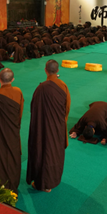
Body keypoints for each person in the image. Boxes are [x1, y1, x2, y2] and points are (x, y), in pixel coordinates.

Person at [27, 59, 71, 192]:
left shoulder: (41, 88)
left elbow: (33, 108)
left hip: (42, 127)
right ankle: (52, 181)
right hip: (57, 126)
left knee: (42, 151)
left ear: (45, 70)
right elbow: (67, 108)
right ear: (58, 70)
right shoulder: (63, 86)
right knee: (55, 152)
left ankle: (41, 182)